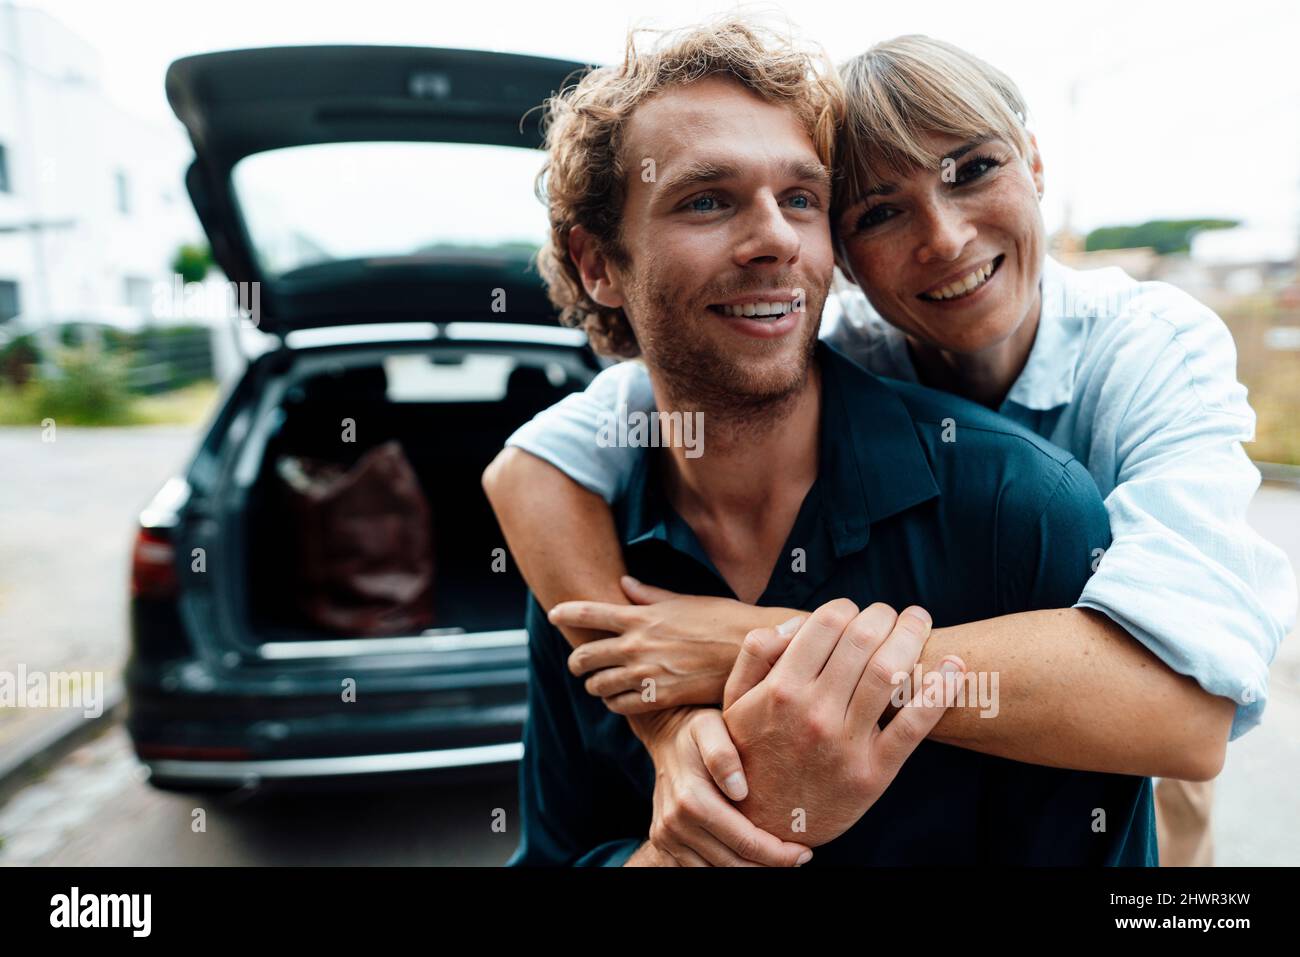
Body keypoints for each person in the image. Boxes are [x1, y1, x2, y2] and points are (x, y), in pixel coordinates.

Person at [487, 29, 1296, 866]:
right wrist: (661, 715)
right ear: (848, 258)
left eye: (975, 168)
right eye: (877, 212)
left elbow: (1185, 715)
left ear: (1037, 164)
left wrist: (755, 644)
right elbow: (529, 465)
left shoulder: (1144, 357)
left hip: (1149, 692)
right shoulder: (810, 340)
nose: (943, 240)